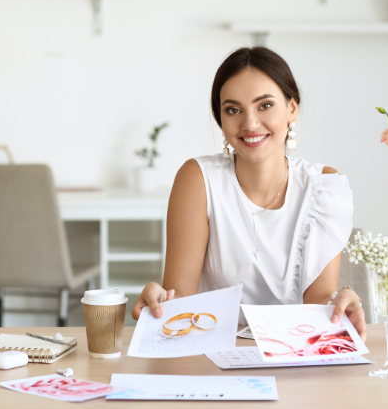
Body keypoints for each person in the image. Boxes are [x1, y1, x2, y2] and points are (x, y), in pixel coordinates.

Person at [132, 46, 366, 341]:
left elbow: (317, 304)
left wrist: (339, 302)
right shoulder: (197, 179)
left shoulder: (323, 186)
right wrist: (159, 299)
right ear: (221, 118)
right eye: (233, 110)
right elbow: (180, 306)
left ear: (292, 109)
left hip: (293, 357)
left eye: (265, 105)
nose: (250, 123)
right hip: (212, 356)